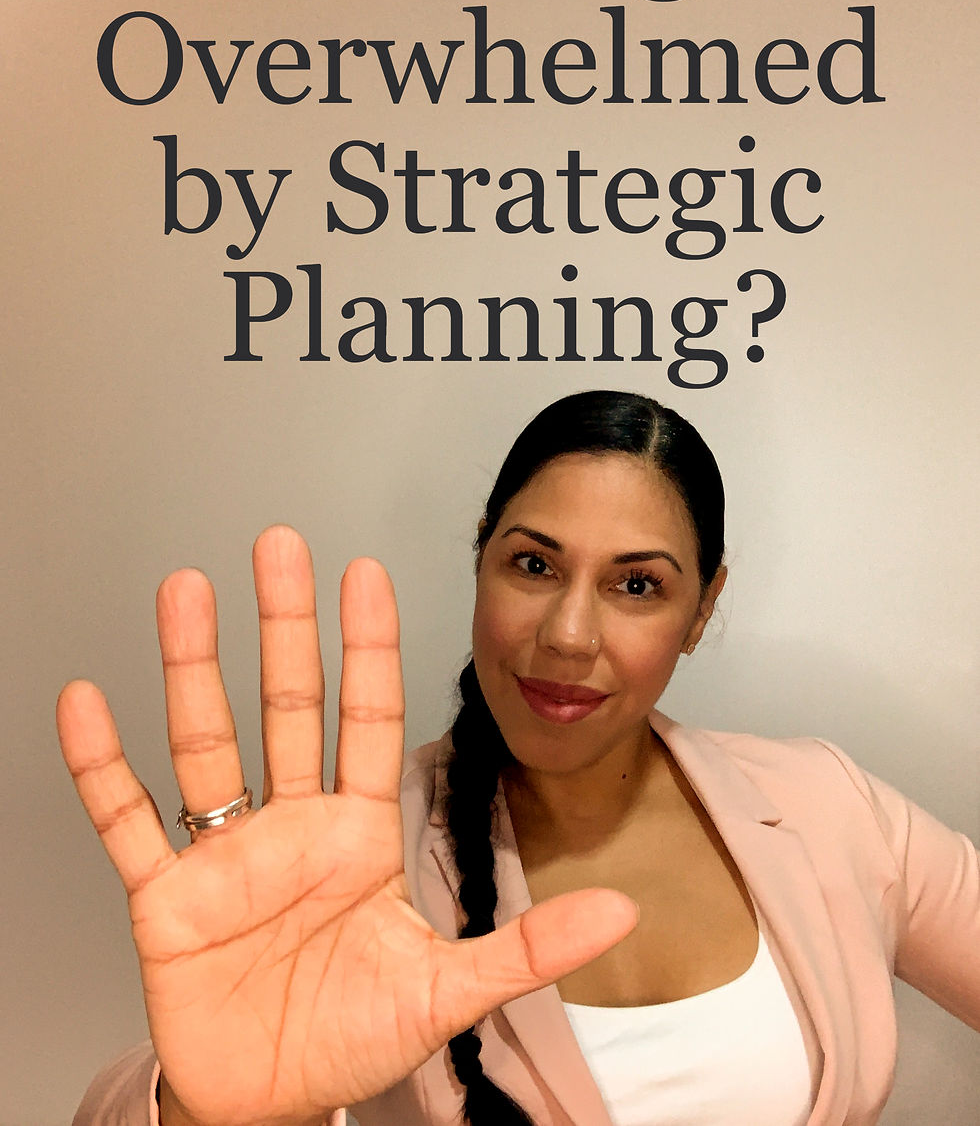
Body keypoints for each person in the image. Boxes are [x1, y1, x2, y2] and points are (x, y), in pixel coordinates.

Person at [60, 390, 979, 1126]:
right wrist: (205, 1116)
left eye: (636, 585)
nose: (569, 634)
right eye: (534, 566)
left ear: (702, 612)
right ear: (481, 562)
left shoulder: (825, 806)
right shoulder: (352, 866)